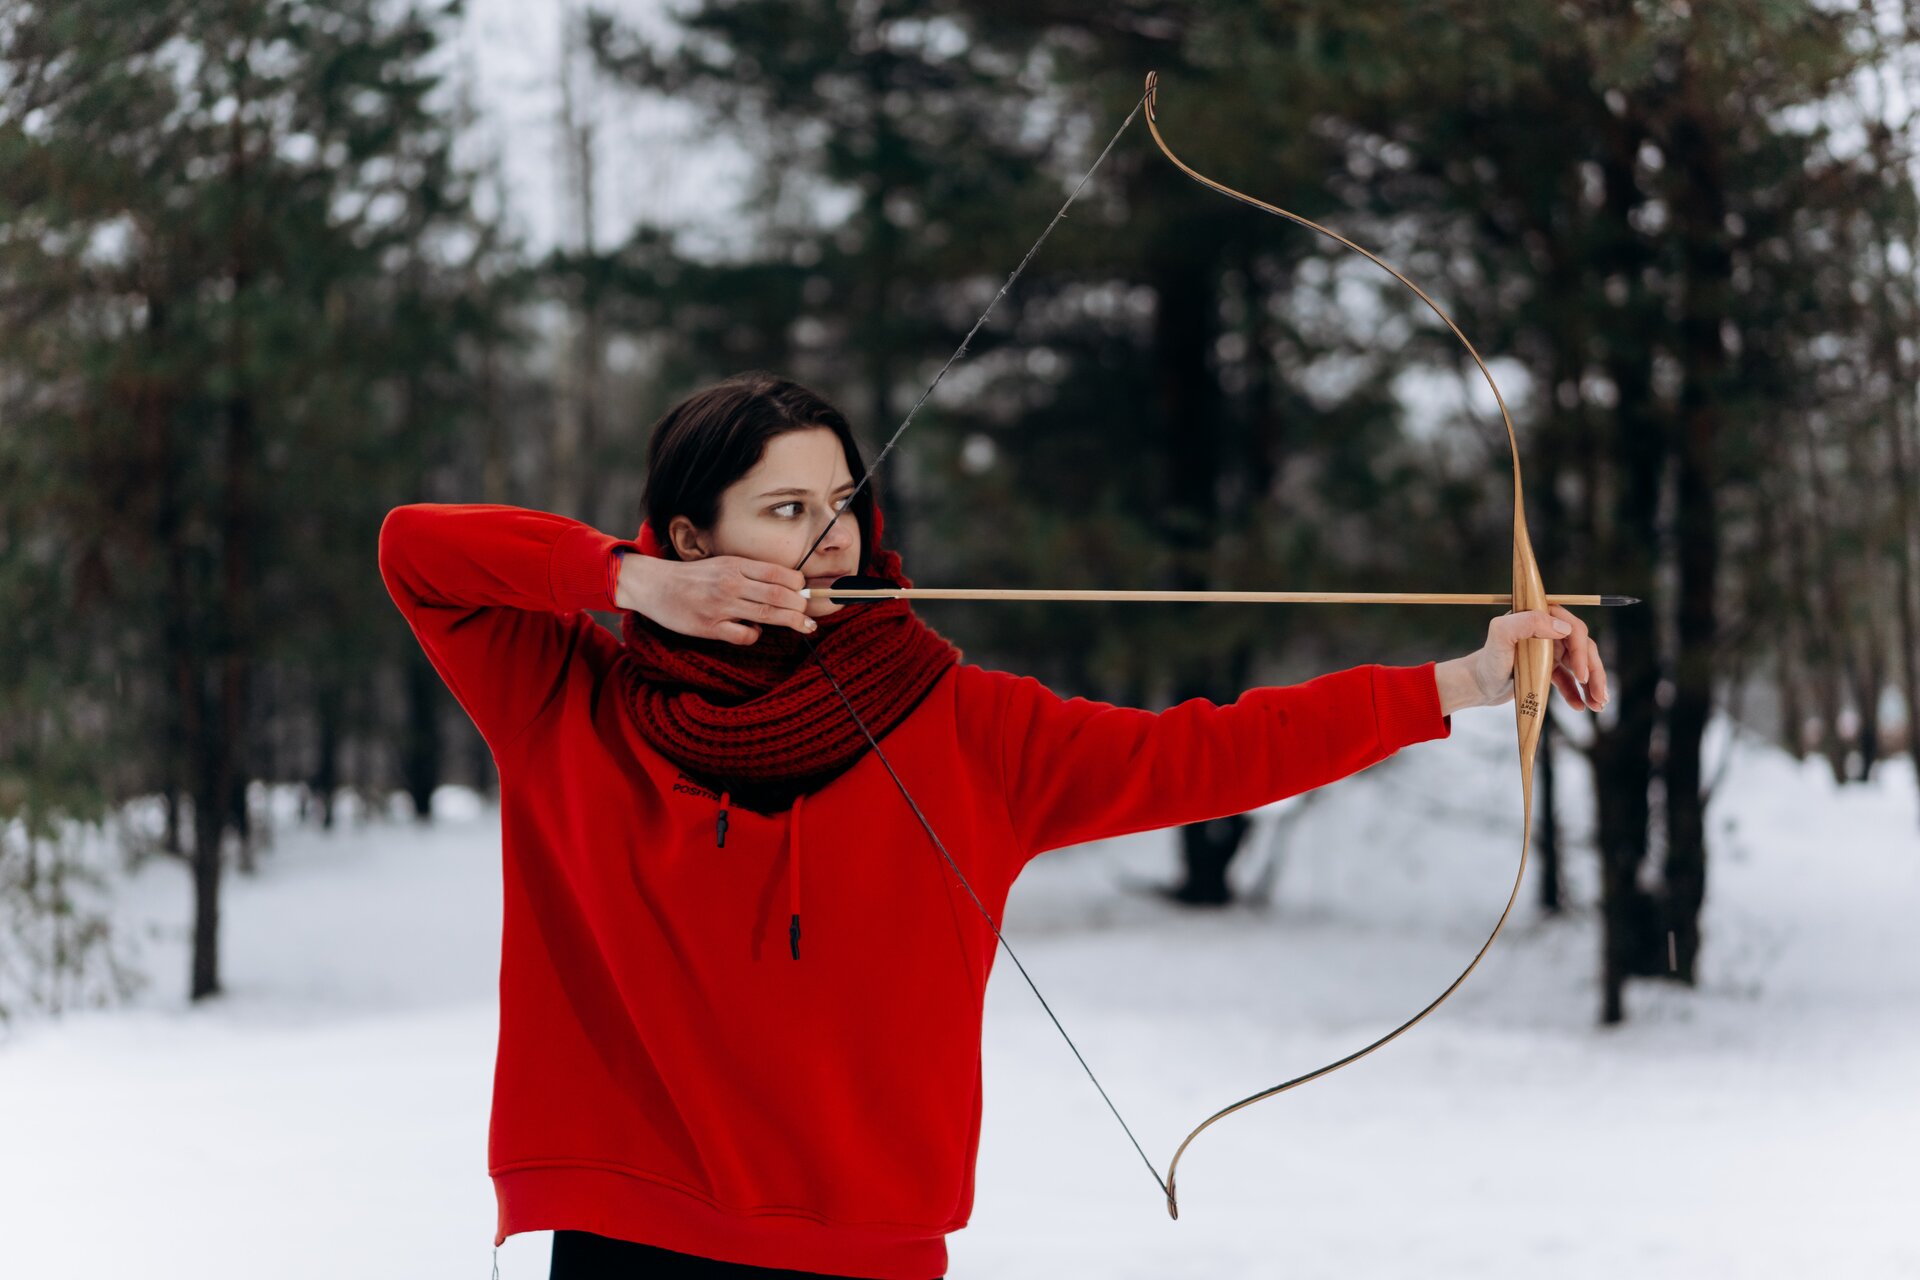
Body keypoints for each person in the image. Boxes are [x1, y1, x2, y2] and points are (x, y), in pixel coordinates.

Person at [377, 371, 1608, 1280]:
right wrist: (629, 579)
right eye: (787, 508)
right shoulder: (568, 700)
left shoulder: (961, 723)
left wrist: (1458, 680)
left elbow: (1204, 748)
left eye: (844, 503)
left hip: (869, 1247)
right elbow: (415, 551)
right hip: (632, 1232)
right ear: (694, 536)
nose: (834, 536)